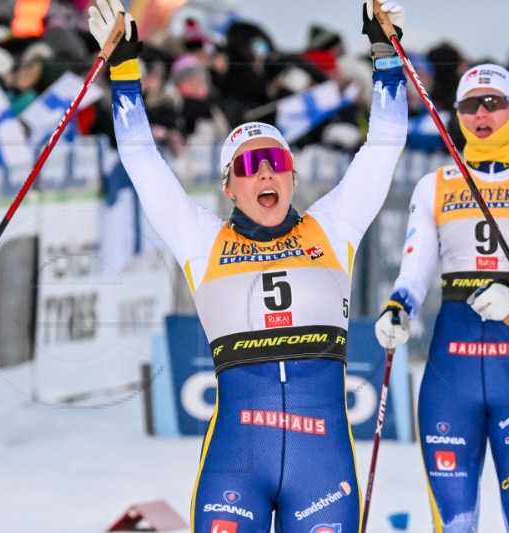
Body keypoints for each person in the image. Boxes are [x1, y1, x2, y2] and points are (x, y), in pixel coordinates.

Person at [87, 0, 407, 531]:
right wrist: (123, 68)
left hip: (321, 468)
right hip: (237, 464)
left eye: (276, 162)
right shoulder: (201, 241)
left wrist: (385, 52)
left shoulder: (333, 228)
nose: (265, 175)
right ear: (229, 187)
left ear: (293, 176)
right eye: (248, 167)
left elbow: (385, 142)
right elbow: (142, 158)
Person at [375, 64, 509, 532]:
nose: (481, 113)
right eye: (470, 104)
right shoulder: (436, 184)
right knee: (453, 523)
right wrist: (398, 307)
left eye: (494, 102)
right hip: (452, 375)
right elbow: (415, 269)